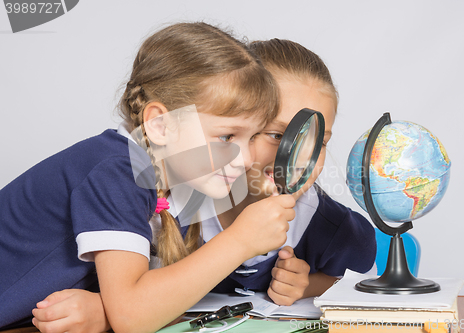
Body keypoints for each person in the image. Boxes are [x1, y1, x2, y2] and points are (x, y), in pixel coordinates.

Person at [0, 23, 297, 333]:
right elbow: (133, 317)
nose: (247, 158)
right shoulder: (116, 171)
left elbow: (164, 296)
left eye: (252, 138)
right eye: (227, 137)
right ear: (159, 125)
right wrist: (239, 240)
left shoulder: (176, 183)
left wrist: (104, 310)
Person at [204, 38, 377, 305]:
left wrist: (309, 285)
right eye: (276, 135)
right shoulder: (175, 207)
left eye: (318, 142)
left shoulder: (333, 229)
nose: (299, 159)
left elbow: (363, 281)